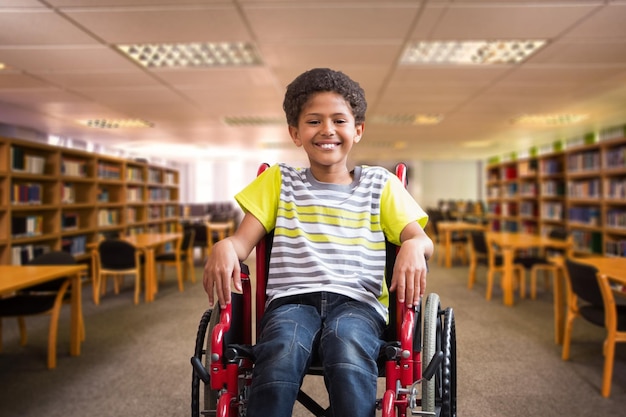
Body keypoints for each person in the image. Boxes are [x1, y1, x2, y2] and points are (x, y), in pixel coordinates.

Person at [203, 67, 433, 417]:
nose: (327, 130)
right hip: (291, 302)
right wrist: (224, 246)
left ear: (357, 131)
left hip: (358, 304)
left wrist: (415, 245)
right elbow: (240, 243)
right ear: (295, 133)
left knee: (346, 343)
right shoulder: (280, 181)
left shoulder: (380, 184)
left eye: (339, 120)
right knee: (281, 346)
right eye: (314, 121)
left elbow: (419, 238)